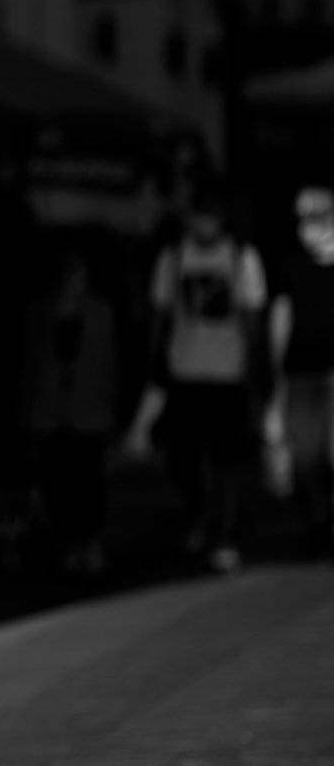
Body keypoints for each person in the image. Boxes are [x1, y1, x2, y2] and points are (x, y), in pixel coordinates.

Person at [125, 185, 267, 573]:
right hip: (184, 370)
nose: (204, 224)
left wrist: (254, 371)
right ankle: (199, 514)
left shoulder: (241, 257)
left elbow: (252, 317)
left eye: (211, 216)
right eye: (199, 216)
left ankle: (223, 533)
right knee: (183, 456)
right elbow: (160, 313)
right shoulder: (173, 258)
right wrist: (153, 361)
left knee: (226, 459)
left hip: (227, 372)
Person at [23, 252, 117, 577]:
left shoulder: (100, 313)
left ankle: (91, 544)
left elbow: (109, 363)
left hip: (88, 410)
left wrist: (108, 405)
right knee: (59, 480)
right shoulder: (41, 312)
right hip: (51, 411)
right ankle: (69, 546)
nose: (77, 283)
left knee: (89, 479)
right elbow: (33, 364)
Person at [265, 183, 334, 560]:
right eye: (304, 220)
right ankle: (317, 525)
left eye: (318, 218)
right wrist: (277, 381)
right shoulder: (292, 268)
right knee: (306, 458)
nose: (311, 227)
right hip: (302, 375)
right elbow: (280, 322)